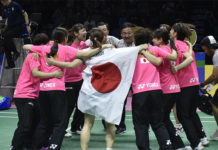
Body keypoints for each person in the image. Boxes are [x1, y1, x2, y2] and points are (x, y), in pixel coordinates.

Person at [46, 28, 148, 150]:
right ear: (104, 38)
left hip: (90, 92)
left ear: (90, 39)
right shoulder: (112, 51)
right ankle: (108, 149)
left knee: (87, 125)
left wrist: (53, 61)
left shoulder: (85, 53)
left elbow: (70, 65)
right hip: (109, 93)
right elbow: (135, 50)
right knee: (110, 125)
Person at [23, 27, 107, 150]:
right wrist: (103, 47)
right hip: (57, 90)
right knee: (60, 122)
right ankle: (54, 147)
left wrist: (34, 52)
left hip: (42, 90)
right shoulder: (66, 49)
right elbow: (85, 53)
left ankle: (36, 147)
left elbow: (26, 47)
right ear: (65, 38)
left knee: (44, 122)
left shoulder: (45, 47)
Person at [10, 33, 63, 150]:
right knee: (25, 125)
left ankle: (28, 145)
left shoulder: (40, 56)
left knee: (35, 123)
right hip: (24, 94)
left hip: (35, 94)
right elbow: (35, 73)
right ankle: (14, 146)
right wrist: (54, 74)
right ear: (42, 45)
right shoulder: (33, 56)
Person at [131, 26, 178, 150]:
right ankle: (167, 147)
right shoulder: (155, 49)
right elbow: (171, 58)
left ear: (135, 40)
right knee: (158, 123)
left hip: (140, 93)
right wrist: (172, 45)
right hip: (156, 91)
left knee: (141, 125)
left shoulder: (130, 52)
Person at [170, 23, 208, 150]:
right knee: (190, 113)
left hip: (185, 85)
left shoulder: (177, 44)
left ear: (175, 33)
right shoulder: (187, 44)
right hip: (194, 83)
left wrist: (176, 68)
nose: (170, 32)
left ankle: (196, 144)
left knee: (182, 115)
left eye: (171, 30)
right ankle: (200, 140)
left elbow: (189, 59)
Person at [152, 28, 192, 150]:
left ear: (160, 40)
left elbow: (157, 62)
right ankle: (178, 145)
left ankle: (168, 145)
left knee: (159, 120)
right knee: (164, 118)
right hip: (174, 88)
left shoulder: (161, 50)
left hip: (166, 89)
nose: (152, 40)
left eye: (154, 38)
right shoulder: (170, 48)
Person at [64, 23, 88, 137]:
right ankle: (62, 129)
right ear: (75, 33)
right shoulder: (68, 47)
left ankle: (75, 126)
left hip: (80, 79)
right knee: (68, 107)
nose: (85, 32)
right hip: (67, 80)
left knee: (81, 105)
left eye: (85, 30)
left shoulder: (84, 45)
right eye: (82, 30)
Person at [0, 0, 30, 69]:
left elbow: (25, 14)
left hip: (18, 27)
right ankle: (11, 64)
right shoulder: (5, 6)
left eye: (2, 1)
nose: (1, 3)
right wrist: (5, 27)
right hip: (10, 27)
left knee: (6, 36)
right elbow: (8, 18)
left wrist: (27, 25)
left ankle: (16, 52)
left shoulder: (15, 5)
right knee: (4, 41)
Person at [200, 35, 218, 141]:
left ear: (209, 46)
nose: (205, 52)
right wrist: (208, 88)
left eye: (205, 49)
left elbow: (214, 76)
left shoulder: (216, 55)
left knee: (214, 105)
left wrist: (202, 84)